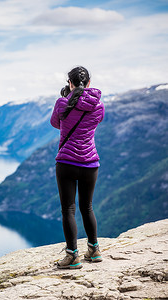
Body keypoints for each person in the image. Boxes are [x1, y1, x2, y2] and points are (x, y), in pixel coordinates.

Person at [50, 66, 105, 269]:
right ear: (89, 83)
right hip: (90, 163)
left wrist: (67, 98)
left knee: (68, 209)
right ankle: (94, 249)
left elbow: (55, 123)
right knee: (87, 207)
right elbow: (95, 121)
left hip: (66, 163)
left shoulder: (62, 103)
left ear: (70, 83)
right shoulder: (99, 106)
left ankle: (72, 256)